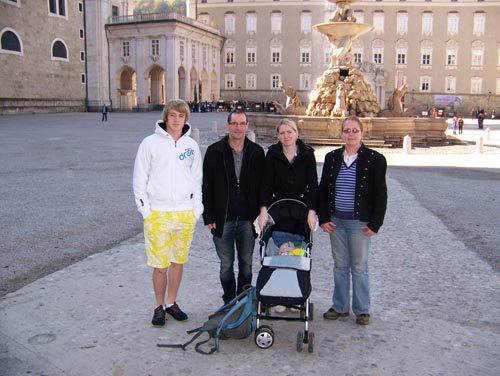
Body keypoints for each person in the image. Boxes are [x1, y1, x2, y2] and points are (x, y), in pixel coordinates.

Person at [133, 99, 203, 327]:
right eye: (172, 115)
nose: (176, 120)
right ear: (166, 117)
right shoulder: (150, 143)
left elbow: (197, 179)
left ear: (186, 119)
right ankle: (159, 306)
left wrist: (196, 210)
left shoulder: (191, 146)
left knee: (177, 262)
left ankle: (172, 303)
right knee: (159, 265)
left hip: (184, 212)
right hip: (158, 213)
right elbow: (139, 178)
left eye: (180, 116)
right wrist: (145, 210)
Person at [318, 116, 387, 326]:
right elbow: (323, 190)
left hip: (359, 223)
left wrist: (375, 224)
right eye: (347, 130)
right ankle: (339, 306)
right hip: (336, 220)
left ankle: (362, 309)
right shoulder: (332, 158)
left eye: (354, 130)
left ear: (362, 133)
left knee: (359, 266)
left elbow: (380, 194)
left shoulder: (375, 159)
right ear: (342, 134)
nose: (351, 134)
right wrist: (323, 218)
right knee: (340, 265)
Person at [202, 110, 265, 304]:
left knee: (246, 265)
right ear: (228, 125)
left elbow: (263, 185)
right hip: (223, 219)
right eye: (234, 123)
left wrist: (262, 211)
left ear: (247, 126)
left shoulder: (256, 152)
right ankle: (229, 300)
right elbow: (207, 186)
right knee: (226, 265)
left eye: (242, 123)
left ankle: (244, 299)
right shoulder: (215, 151)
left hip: (248, 220)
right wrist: (209, 216)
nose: (238, 127)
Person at [257, 118, 319, 233]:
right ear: (278, 136)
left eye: (289, 132)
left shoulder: (307, 154)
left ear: (296, 133)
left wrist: (312, 211)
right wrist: (263, 209)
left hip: (300, 207)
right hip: (277, 206)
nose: (286, 136)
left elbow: (313, 185)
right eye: (282, 133)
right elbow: (266, 183)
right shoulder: (272, 153)